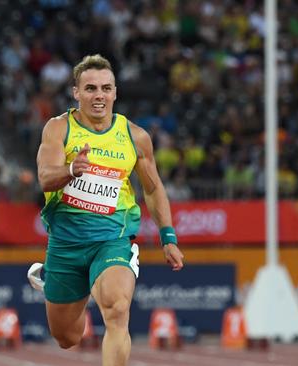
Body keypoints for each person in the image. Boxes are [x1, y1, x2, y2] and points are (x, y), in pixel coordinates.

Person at [27, 54, 184, 366]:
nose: (98, 95)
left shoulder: (135, 137)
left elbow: (153, 189)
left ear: (115, 92)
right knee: (66, 338)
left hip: (112, 238)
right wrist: (72, 169)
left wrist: (169, 237)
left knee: (116, 308)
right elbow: (44, 179)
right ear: (76, 93)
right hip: (66, 244)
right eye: (90, 88)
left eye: (105, 88)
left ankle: (99, 284)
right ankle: (78, 289)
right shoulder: (59, 129)